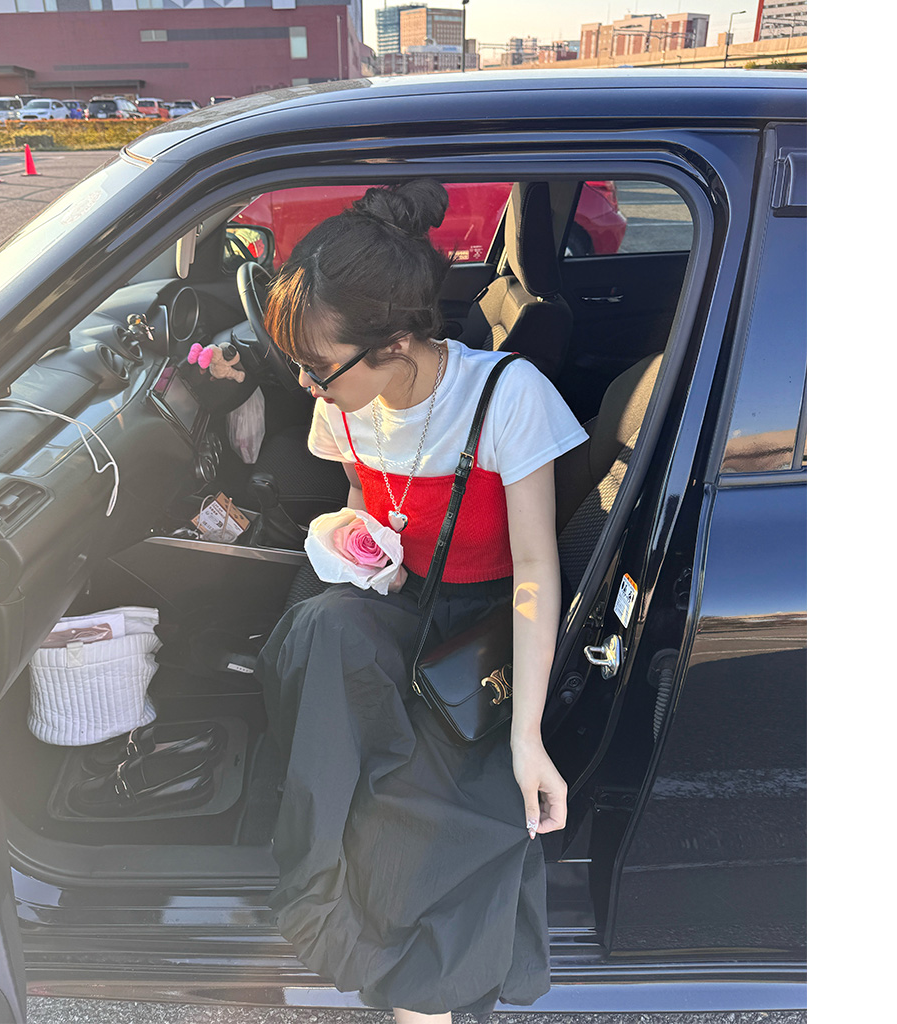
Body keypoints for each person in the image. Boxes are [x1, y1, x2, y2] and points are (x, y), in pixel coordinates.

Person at [255, 179, 588, 1024]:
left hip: (479, 626)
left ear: (396, 342)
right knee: (320, 633)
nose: (306, 384)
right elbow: (364, 501)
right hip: (396, 601)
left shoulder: (507, 396)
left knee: (435, 820)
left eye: (319, 367)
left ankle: (420, 993)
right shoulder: (346, 403)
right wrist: (353, 535)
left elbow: (536, 569)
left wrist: (526, 737)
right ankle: (315, 886)